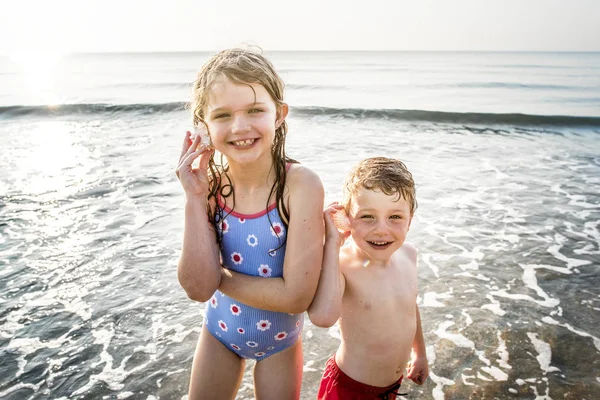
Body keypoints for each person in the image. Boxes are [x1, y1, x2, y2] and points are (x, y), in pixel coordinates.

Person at [175, 48, 324, 400]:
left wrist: (220, 278)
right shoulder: (209, 187)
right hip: (218, 333)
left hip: (280, 345)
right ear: (203, 126)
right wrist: (194, 200)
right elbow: (197, 289)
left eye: (255, 110)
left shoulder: (300, 185)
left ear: (279, 114)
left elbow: (296, 296)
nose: (240, 127)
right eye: (223, 115)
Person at [308, 157, 429, 400]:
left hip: (391, 387)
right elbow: (322, 317)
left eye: (395, 217)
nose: (381, 229)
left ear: (410, 219)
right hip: (348, 388)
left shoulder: (408, 254)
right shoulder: (342, 264)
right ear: (346, 219)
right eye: (367, 217)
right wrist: (332, 244)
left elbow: (408, 305)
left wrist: (420, 353)